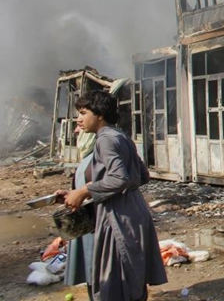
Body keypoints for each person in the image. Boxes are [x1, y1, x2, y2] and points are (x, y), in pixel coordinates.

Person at [64, 90, 167, 301]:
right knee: (131, 280)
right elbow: (141, 175)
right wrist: (81, 191)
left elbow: (119, 178)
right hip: (134, 211)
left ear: (100, 114)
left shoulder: (105, 140)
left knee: (114, 283)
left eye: (83, 113)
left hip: (118, 217)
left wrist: (84, 191)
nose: (79, 119)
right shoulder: (120, 136)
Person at [55, 126, 97, 298]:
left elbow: (109, 184)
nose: (76, 130)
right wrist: (70, 195)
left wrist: (81, 193)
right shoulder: (87, 158)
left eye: (80, 125)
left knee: (100, 274)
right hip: (86, 225)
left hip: (97, 224)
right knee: (92, 274)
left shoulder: (99, 156)